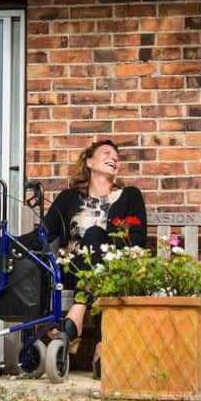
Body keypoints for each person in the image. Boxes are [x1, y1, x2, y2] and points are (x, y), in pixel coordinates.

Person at [44, 139, 147, 379]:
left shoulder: (130, 195)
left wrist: (104, 246)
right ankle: (102, 349)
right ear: (89, 162)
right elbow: (46, 232)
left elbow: (139, 237)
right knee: (94, 240)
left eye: (117, 156)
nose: (114, 158)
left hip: (116, 271)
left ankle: (77, 314)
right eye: (106, 153)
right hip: (72, 271)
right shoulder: (68, 198)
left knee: (95, 236)